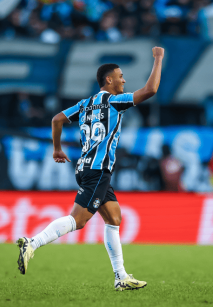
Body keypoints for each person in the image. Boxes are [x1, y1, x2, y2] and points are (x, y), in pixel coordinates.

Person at [16, 47, 165, 291]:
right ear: (109, 80)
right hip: (98, 171)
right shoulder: (115, 102)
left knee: (114, 218)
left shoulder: (85, 104)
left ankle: (121, 278)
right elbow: (150, 90)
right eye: (121, 76)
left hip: (85, 167)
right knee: (79, 220)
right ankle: (32, 243)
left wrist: (57, 148)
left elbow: (56, 119)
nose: (124, 80)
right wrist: (158, 58)